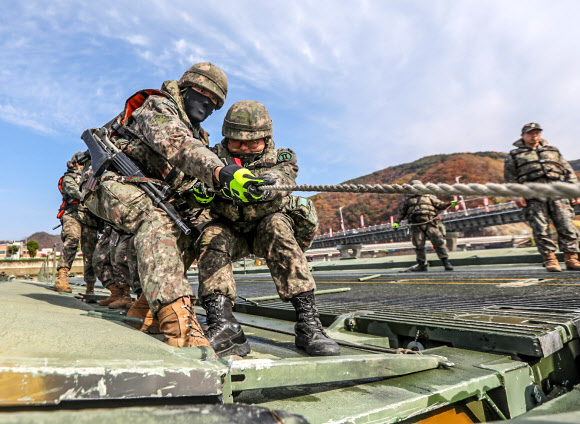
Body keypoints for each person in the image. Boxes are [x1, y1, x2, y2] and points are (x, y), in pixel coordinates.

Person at [83, 63, 269, 350]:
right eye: (206, 96)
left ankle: (146, 307)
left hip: (151, 190)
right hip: (109, 181)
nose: (209, 106)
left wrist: (206, 192)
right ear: (188, 88)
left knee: (199, 226)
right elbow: (177, 145)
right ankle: (180, 326)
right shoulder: (159, 106)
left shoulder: (201, 136)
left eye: (216, 104)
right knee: (155, 219)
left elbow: (187, 177)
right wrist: (220, 172)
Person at [196, 100, 340, 357]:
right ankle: (223, 324)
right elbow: (195, 179)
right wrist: (203, 189)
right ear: (226, 137)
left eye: (252, 142)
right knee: (211, 236)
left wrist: (264, 184)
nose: (244, 147)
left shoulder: (282, 156)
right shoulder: (213, 158)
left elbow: (285, 177)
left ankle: (309, 324)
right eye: (237, 141)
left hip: (266, 229)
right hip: (230, 230)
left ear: (266, 138)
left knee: (277, 226)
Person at [504, 123, 580, 272]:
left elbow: (568, 171)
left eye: (537, 133)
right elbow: (510, 178)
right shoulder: (514, 155)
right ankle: (550, 259)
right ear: (523, 136)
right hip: (533, 196)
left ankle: (571, 259)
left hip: (558, 193)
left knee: (566, 225)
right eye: (531, 133)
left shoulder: (553, 151)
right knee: (541, 228)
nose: (534, 136)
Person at [55, 152, 99, 293]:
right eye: (80, 163)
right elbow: (73, 190)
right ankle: (62, 277)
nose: (83, 166)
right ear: (74, 164)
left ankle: (90, 286)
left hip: (90, 217)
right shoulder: (69, 177)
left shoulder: (92, 177)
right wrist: (88, 196)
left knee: (90, 251)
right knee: (72, 240)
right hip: (73, 214)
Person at [394, 181, 456, 272]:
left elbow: (440, 205)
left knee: (438, 242)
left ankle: (446, 262)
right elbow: (401, 213)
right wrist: (396, 222)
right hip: (416, 225)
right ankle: (421, 264)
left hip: (430, 223)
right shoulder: (408, 200)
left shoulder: (429, 197)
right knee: (419, 245)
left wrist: (450, 204)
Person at [92, 224, 133, 309]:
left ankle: (125, 295)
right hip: (110, 225)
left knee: (119, 257)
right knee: (99, 258)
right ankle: (116, 293)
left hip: (123, 225)